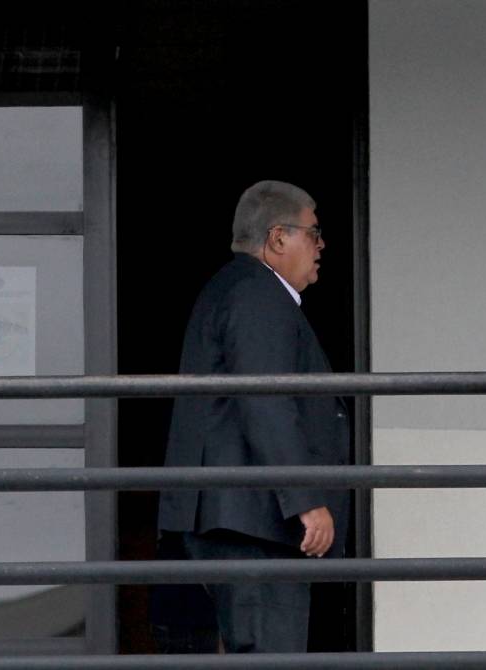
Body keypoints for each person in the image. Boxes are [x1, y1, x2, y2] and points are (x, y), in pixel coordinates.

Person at [157, 179, 350, 653]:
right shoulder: (258, 295)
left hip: (235, 518)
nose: (322, 244)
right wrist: (306, 499)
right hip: (252, 523)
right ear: (278, 238)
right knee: (269, 656)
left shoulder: (238, 288)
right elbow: (267, 400)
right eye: (314, 231)